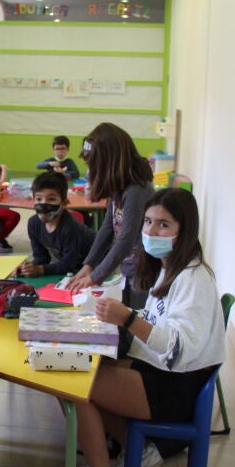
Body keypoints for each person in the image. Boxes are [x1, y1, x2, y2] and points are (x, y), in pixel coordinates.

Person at [47, 188, 226, 467]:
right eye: (147, 221)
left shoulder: (193, 278)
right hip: (162, 372)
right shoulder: (170, 266)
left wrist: (127, 319)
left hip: (177, 386)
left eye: (163, 224)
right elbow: (159, 319)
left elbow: (181, 348)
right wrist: (119, 315)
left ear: (184, 230)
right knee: (84, 362)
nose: (151, 231)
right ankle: (140, 449)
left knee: (71, 379)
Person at [65, 123, 154, 354]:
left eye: (95, 166)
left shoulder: (135, 190)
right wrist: (89, 265)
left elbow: (125, 239)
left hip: (144, 272)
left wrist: (96, 276)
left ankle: (133, 364)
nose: (92, 172)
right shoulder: (119, 186)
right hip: (131, 269)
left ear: (110, 163)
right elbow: (107, 229)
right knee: (126, 319)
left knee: (136, 325)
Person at [17, 172, 96, 277]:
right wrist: (26, 268)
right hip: (76, 266)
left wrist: (40, 270)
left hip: (97, 263)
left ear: (64, 203)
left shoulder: (70, 228)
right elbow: (41, 258)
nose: (44, 204)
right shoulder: (33, 224)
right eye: (39, 199)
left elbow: (68, 264)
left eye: (51, 199)